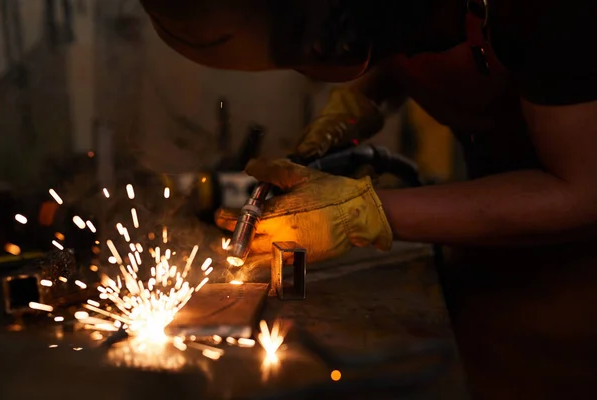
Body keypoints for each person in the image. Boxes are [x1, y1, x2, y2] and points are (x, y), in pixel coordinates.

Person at [139, 1, 597, 398]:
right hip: (502, 229)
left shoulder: (550, 9)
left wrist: (362, 209)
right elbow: (405, 43)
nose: (309, 67)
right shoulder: (387, 13)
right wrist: (358, 106)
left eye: (304, 46)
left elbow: (583, 191)